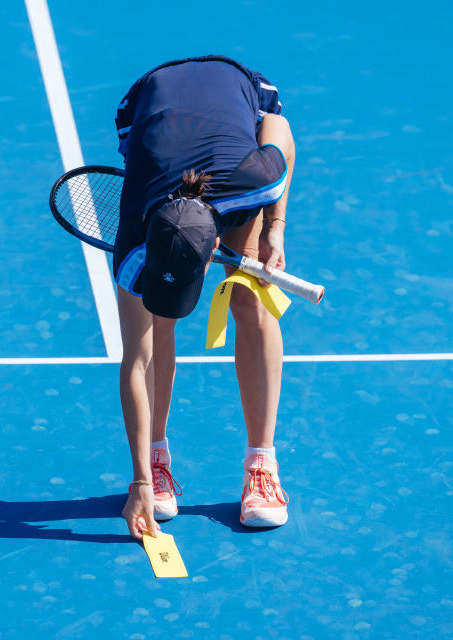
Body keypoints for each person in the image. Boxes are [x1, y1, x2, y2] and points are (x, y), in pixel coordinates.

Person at [113, 55, 296, 539]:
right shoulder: (134, 234)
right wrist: (136, 482)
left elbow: (278, 126)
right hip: (147, 104)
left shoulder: (253, 178)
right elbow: (135, 359)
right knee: (156, 324)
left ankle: (262, 464)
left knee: (249, 299)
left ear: (217, 242)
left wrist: (276, 228)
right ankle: (155, 459)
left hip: (237, 90)